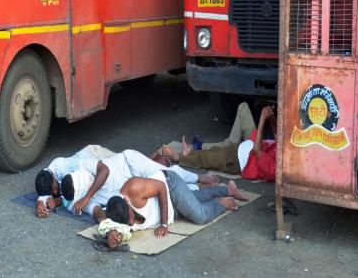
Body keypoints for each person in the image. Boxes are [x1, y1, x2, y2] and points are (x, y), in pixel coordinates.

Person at [61, 149, 221, 222]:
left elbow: (105, 171)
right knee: (172, 187)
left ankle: (198, 177)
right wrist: (106, 225)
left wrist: (87, 196)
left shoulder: (85, 167)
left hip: (131, 163)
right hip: (135, 186)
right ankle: (201, 188)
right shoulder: (84, 201)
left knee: (167, 172)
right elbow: (98, 213)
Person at [105, 170, 247, 248]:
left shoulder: (134, 188)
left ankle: (223, 203)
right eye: (127, 224)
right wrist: (111, 236)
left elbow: (161, 187)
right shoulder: (115, 215)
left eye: (130, 217)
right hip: (169, 205)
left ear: (127, 203)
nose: (131, 223)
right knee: (193, 200)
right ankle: (227, 190)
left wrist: (164, 223)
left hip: (169, 185)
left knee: (200, 215)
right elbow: (103, 222)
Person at [161, 103, 277, 182]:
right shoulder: (287, 156)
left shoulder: (276, 170)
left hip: (238, 161)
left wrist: (263, 117)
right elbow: (277, 139)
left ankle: (178, 158)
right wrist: (271, 118)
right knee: (243, 107)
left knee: (210, 158)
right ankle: (191, 152)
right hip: (246, 145)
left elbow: (257, 150)